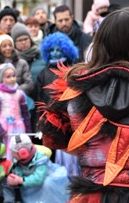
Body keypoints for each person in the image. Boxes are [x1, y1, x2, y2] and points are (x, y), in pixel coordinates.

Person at [38, 8, 129, 202]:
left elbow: (53, 139)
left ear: (101, 42)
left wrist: (93, 150)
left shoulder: (75, 86)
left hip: (92, 193)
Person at [36, 32, 80, 175]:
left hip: (68, 119)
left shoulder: (72, 70)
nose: (55, 53)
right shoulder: (43, 72)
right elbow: (39, 98)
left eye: (59, 50)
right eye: (52, 50)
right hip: (49, 120)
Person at [0, 63, 31, 160]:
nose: (12, 79)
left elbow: (26, 114)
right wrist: (0, 131)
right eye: (8, 77)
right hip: (2, 129)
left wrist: (28, 131)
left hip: (18, 129)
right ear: (1, 79)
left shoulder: (20, 94)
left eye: (14, 75)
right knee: (3, 153)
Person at [6, 134, 70, 203]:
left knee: (48, 183)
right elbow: (19, 175)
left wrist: (20, 180)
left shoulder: (41, 159)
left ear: (22, 153)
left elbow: (39, 179)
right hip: (31, 188)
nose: (11, 154)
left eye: (13, 152)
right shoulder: (17, 162)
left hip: (48, 187)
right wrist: (14, 179)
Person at [0, 33, 33, 98]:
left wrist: (15, 90)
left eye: (10, 45)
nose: (8, 48)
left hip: (18, 99)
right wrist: (2, 88)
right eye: (4, 46)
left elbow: (29, 83)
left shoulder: (22, 63)